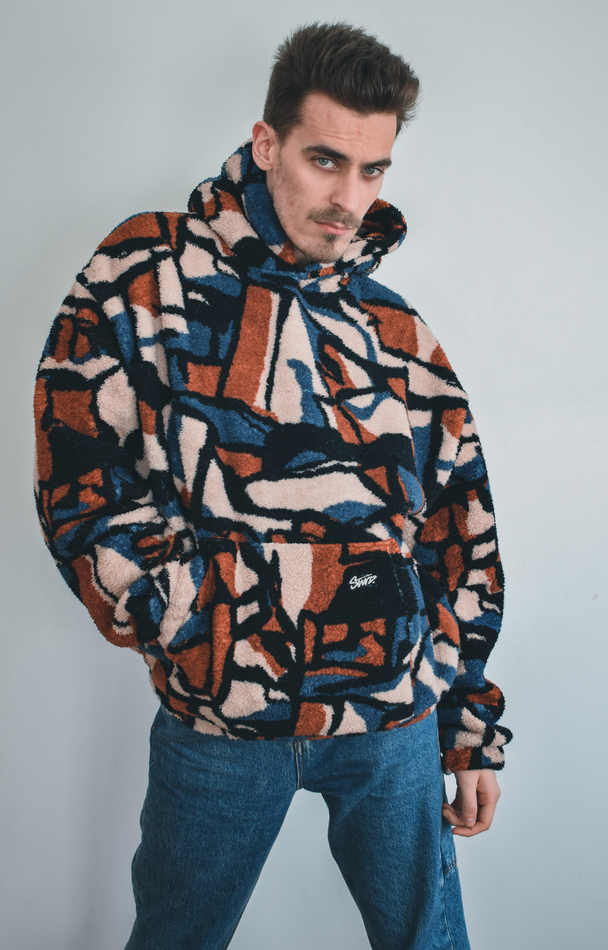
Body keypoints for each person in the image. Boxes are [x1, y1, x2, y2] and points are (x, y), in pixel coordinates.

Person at [34, 22, 511, 950]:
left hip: (392, 722)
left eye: (372, 170)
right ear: (266, 143)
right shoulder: (145, 274)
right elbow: (77, 476)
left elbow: (461, 525)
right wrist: (192, 623)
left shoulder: (396, 331)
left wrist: (470, 726)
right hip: (222, 722)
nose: (349, 200)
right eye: (325, 160)